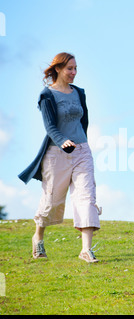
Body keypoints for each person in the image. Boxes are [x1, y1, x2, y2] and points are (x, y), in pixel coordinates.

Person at [18, 52, 101, 263]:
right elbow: (50, 126)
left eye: (75, 69)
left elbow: (84, 121)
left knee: (86, 197)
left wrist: (79, 141)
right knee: (52, 200)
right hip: (56, 153)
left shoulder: (79, 93)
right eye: (69, 69)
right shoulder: (47, 96)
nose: (73, 73)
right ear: (58, 69)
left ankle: (86, 250)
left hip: (81, 151)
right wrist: (63, 140)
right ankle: (38, 237)